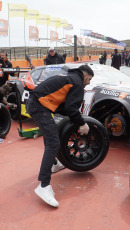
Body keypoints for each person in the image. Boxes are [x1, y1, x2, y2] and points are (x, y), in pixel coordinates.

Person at [26, 64, 94, 207]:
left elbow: (64, 107)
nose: (89, 83)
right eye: (89, 80)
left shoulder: (69, 78)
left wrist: (77, 118)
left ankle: (55, 164)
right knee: (53, 143)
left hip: (37, 104)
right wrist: (81, 123)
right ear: (86, 76)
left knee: (52, 136)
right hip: (39, 106)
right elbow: (71, 108)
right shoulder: (77, 83)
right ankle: (43, 186)